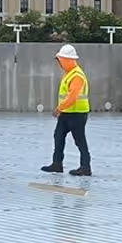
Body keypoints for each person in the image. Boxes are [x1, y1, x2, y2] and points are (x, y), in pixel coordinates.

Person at [42, 44, 91, 176]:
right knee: (58, 136)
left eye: (61, 60)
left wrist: (59, 108)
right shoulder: (68, 73)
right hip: (67, 113)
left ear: (68, 60)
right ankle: (57, 164)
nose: (59, 63)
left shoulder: (77, 75)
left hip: (77, 114)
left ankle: (85, 167)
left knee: (79, 140)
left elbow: (73, 96)